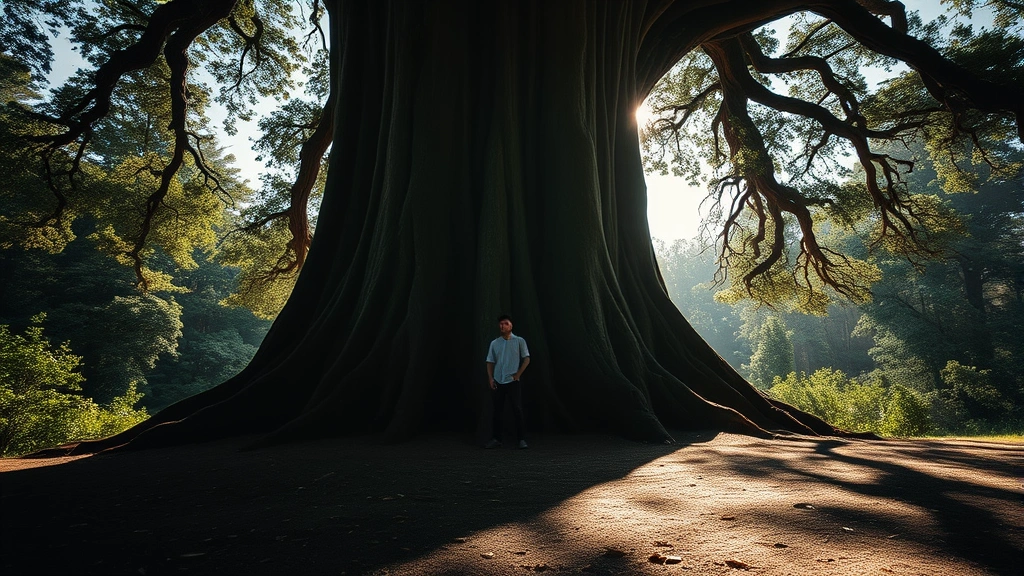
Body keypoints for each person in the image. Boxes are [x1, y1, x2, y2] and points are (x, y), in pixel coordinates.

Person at [484, 314, 531, 449]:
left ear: (511, 325)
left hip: (513, 382)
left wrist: (518, 374)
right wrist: (491, 378)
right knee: (497, 410)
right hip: (498, 381)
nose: (502, 326)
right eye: (500, 324)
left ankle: (521, 439)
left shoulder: (519, 341)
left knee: (517, 409)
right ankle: (497, 439)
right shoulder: (495, 343)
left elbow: (527, 358)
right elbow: (490, 361)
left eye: (505, 323)